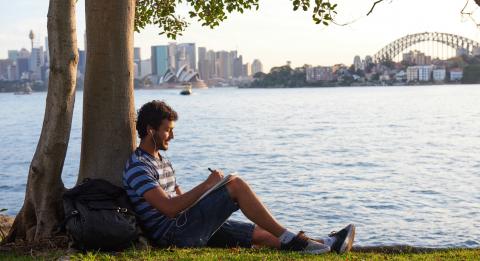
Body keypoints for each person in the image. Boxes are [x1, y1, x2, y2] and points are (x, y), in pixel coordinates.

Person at [123, 100, 355, 254]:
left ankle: (326, 245)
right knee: (235, 185)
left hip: (185, 224)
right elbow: (169, 208)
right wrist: (207, 185)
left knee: (261, 234)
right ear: (151, 130)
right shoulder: (138, 166)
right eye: (167, 130)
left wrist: (209, 194)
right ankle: (293, 238)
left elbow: (179, 198)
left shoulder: (162, 162)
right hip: (173, 235)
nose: (171, 136)